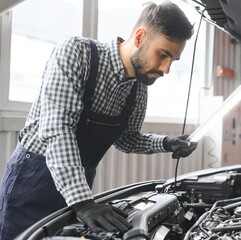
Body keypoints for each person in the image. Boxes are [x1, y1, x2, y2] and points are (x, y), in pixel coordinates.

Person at [0, 1, 197, 239]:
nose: (166, 69)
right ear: (140, 36)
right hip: (32, 183)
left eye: (173, 60)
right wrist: (83, 202)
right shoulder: (76, 53)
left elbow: (127, 139)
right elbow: (57, 130)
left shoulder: (137, 88)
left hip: (76, 187)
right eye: (163, 54)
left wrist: (166, 143)